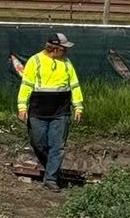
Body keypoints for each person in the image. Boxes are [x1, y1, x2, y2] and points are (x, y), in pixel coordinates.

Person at [17, 32, 83, 191]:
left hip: (61, 112)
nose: (66, 51)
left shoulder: (67, 64)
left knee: (57, 146)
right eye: (63, 48)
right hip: (38, 111)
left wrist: (78, 106)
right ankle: (53, 169)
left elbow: (74, 86)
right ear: (55, 49)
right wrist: (22, 107)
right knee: (38, 144)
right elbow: (26, 85)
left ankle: (51, 179)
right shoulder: (35, 61)